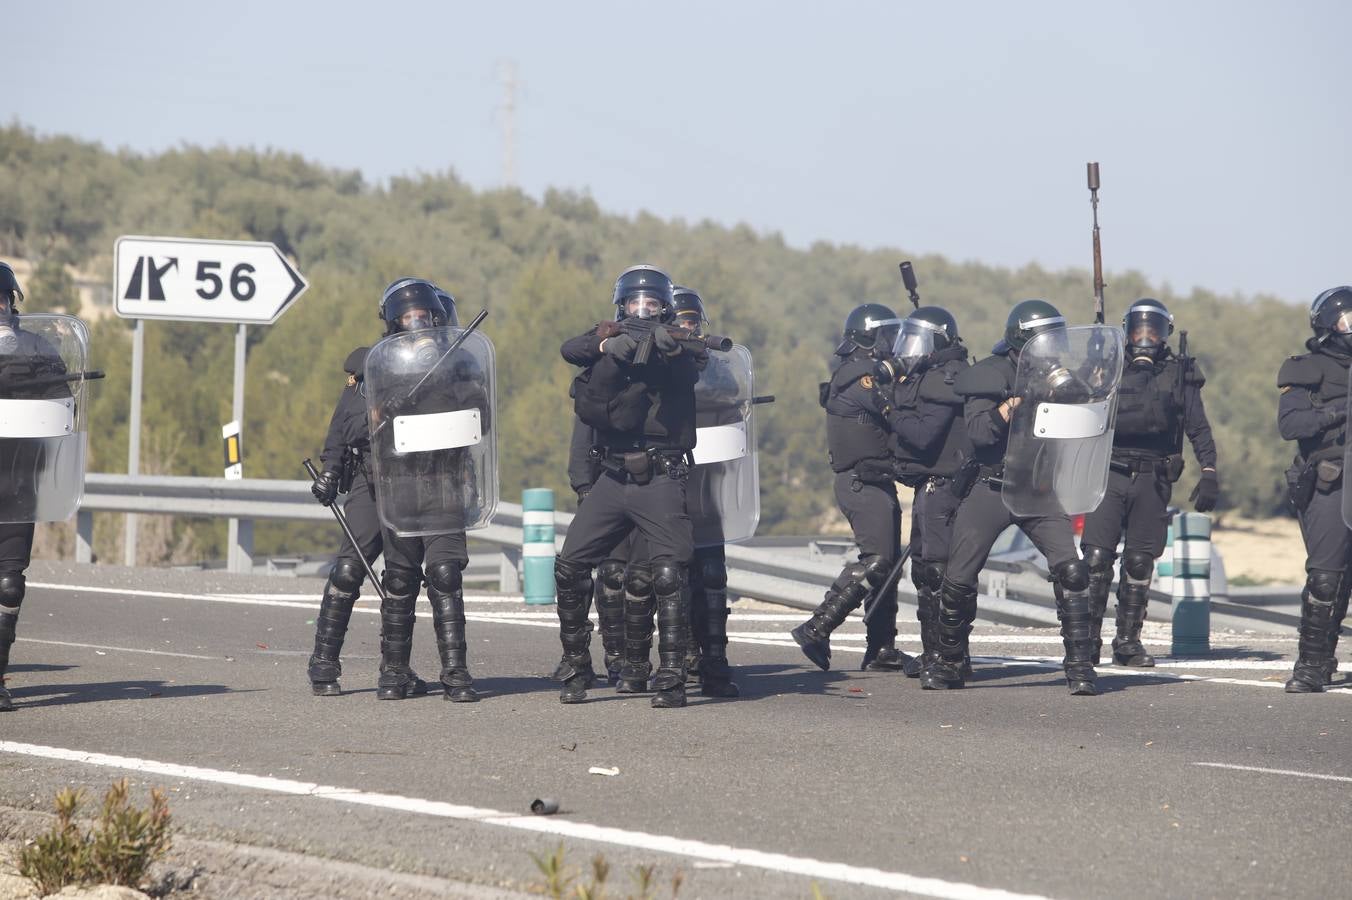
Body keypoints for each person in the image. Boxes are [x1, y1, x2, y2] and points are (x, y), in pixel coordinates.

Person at [553, 265, 708, 708]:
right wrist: (607, 344)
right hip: (612, 475)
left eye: (654, 304)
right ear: (621, 306)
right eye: (636, 303)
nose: (644, 310)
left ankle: (673, 675)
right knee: (570, 565)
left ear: (666, 308)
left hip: (660, 474)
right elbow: (572, 348)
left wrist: (670, 352)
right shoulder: (609, 339)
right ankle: (577, 665)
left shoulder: (678, 345)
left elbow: (695, 367)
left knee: (668, 572)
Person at [928, 300, 1101, 695]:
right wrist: (1015, 402)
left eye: (1056, 337)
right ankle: (950, 664)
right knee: (958, 578)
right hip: (992, 486)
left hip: (1039, 489)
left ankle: (1080, 668)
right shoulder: (988, 375)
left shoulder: (1060, 378)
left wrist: (1088, 382)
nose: (1052, 346)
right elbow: (980, 434)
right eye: (1045, 337)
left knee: (1073, 571)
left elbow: (1084, 421)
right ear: (1024, 338)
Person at [364, 278, 490, 703]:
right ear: (393, 324)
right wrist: (391, 400)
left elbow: (480, 422)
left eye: (424, 316)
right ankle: (393, 673)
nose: (416, 324)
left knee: (445, 575)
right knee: (399, 580)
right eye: (407, 317)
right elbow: (369, 428)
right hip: (401, 486)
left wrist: (460, 385)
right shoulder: (380, 369)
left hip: (445, 484)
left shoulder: (459, 369)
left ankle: (456, 674)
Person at [1079, 299, 1217, 668]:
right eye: (1138, 329)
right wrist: (1093, 366)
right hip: (1109, 472)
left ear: (1165, 334)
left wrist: (1209, 470)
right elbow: (1077, 407)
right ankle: (1086, 641)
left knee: (1140, 562)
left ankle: (1127, 642)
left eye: (1152, 330)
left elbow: (1197, 425)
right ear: (1126, 332)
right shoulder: (1107, 365)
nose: (1144, 337)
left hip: (1153, 476)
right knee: (1095, 560)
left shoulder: (1179, 372)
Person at [790, 303, 917, 672]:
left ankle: (881, 647)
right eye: (887, 335)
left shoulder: (861, 374)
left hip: (876, 480)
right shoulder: (860, 377)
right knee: (876, 562)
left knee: (888, 566)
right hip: (860, 482)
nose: (893, 343)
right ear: (870, 339)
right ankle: (817, 627)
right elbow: (897, 409)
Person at [0, 261, 84, 711]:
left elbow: (61, 409)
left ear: (12, 302)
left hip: (16, 480)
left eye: (1, 299)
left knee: (9, 584)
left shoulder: (40, 348)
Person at [877, 307, 971, 678]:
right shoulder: (934, 377)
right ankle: (937, 651)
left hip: (944, 485)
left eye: (918, 339)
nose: (910, 349)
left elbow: (921, 434)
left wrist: (889, 407)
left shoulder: (945, 380)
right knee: (926, 572)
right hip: (930, 485)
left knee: (939, 573)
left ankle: (947, 655)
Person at [1278, 285, 1352, 693]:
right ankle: (1311, 665)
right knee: (1327, 577)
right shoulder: (1305, 368)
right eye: (1347, 320)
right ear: (1327, 325)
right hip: (1331, 479)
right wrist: (1341, 409)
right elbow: (1292, 426)